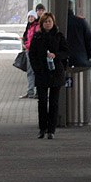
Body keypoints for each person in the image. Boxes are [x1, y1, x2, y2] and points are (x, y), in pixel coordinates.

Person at [28, 11, 69, 139]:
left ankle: (51, 129)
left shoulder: (59, 36)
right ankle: (42, 128)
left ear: (53, 22)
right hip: (41, 73)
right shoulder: (37, 37)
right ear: (42, 23)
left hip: (56, 72)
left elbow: (66, 52)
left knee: (54, 102)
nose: (48, 23)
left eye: (50, 21)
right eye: (45, 21)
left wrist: (56, 55)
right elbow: (32, 54)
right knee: (42, 101)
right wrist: (36, 69)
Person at [20, 10, 40, 99]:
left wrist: (27, 45)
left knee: (34, 71)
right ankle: (30, 91)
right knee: (30, 72)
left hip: (34, 52)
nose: (31, 18)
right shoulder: (29, 27)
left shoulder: (37, 27)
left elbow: (34, 39)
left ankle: (35, 92)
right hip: (29, 51)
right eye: (29, 17)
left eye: (32, 17)